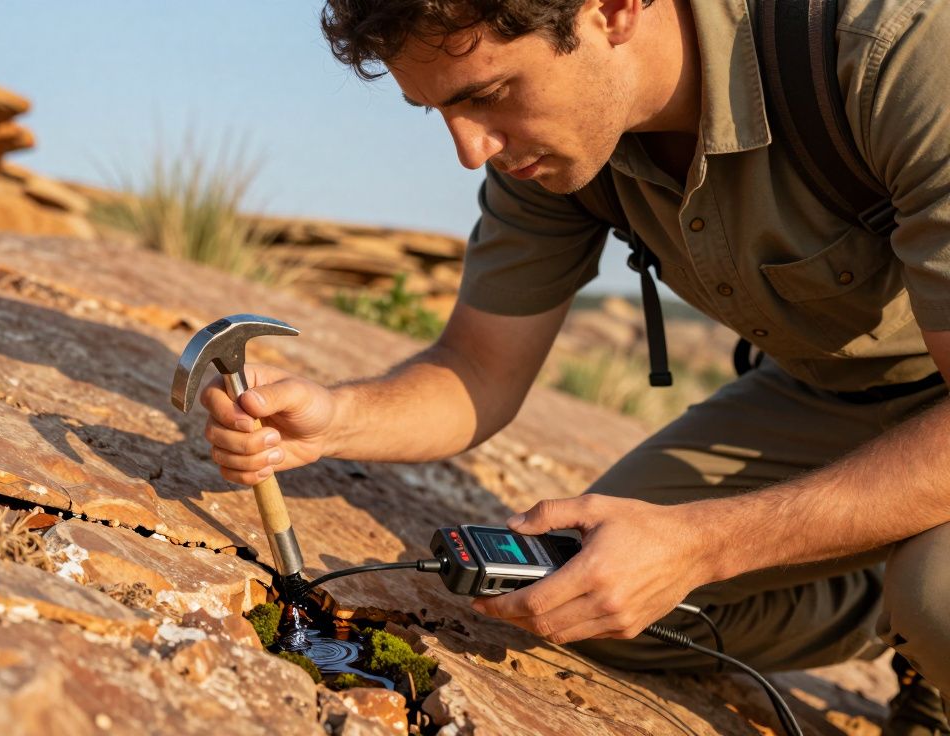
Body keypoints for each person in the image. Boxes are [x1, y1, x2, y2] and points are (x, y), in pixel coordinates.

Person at [198, 0, 950, 731]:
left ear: (616, 10)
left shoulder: (891, 54)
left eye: (488, 94)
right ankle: (877, 586)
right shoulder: (557, 151)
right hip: (832, 397)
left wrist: (704, 543)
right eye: (437, 112)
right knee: (588, 594)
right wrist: (335, 420)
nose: (469, 151)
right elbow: (477, 365)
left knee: (937, 597)